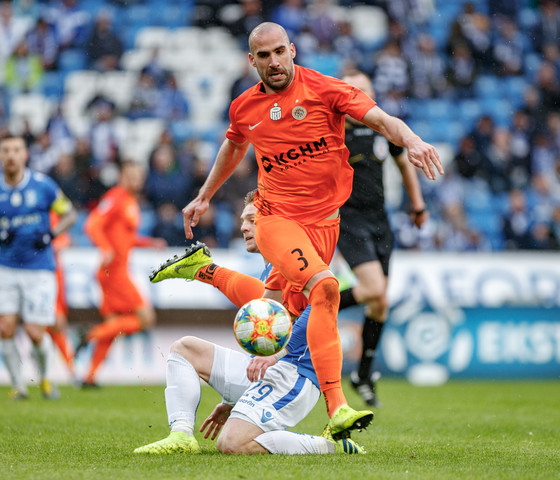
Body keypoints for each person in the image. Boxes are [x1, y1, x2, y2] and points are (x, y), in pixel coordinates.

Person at [181, 22, 443, 440]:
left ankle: (203, 273)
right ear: (252, 61)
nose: (274, 62)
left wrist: (412, 140)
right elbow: (234, 145)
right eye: (263, 56)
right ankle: (337, 406)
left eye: (279, 52)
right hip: (276, 219)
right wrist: (205, 195)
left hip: (325, 224)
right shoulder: (245, 107)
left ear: (293, 50)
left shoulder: (325, 90)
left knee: (286, 304)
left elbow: (381, 119)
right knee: (326, 286)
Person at [135, 190, 364, 455]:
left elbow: (318, 308)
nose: (244, 226)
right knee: (184, 349)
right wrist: (234, 400)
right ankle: (182, 436)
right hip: (269, 369)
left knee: (231, 443)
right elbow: (260, 300)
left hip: (297, 376)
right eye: (243, 220)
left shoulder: (298, 260)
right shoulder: (274, 268)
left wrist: (277, 355)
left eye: (252, 220)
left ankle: (328, 445)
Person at [336, 71, 428, 407]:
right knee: (374, 289)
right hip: (348, 218)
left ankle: (362, 374)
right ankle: (314, 305)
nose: (359, 97)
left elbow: (403, 164)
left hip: (379, 219)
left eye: (365, 91)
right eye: (353, 91)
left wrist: (417, 205)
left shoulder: (381, 126)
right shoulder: (332, 129)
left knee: (380, 303)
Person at [0, 134, 77, 399]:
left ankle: (45, 380)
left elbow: (70, 213)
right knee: (5, 327)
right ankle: (19, 386)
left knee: (34, 332)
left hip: (39, 268)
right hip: (5, 268)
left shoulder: (43, 186)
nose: (11, 155)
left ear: (25, 155)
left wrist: (52, 234)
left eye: (16, 150)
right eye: (6, 150)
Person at [80, 161, 167, 387]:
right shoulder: (116, 197)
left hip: (115, 270)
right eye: (131, 176)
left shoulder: (129, 200)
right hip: (113, 272)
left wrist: (148, 242)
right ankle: (91, 333)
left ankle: (89, 376)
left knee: (114, 324)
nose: (136, 181)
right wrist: (105, 248)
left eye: (139, 176)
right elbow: (91, 224)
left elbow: (125, 238)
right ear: (122, 176)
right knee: (146, 318)